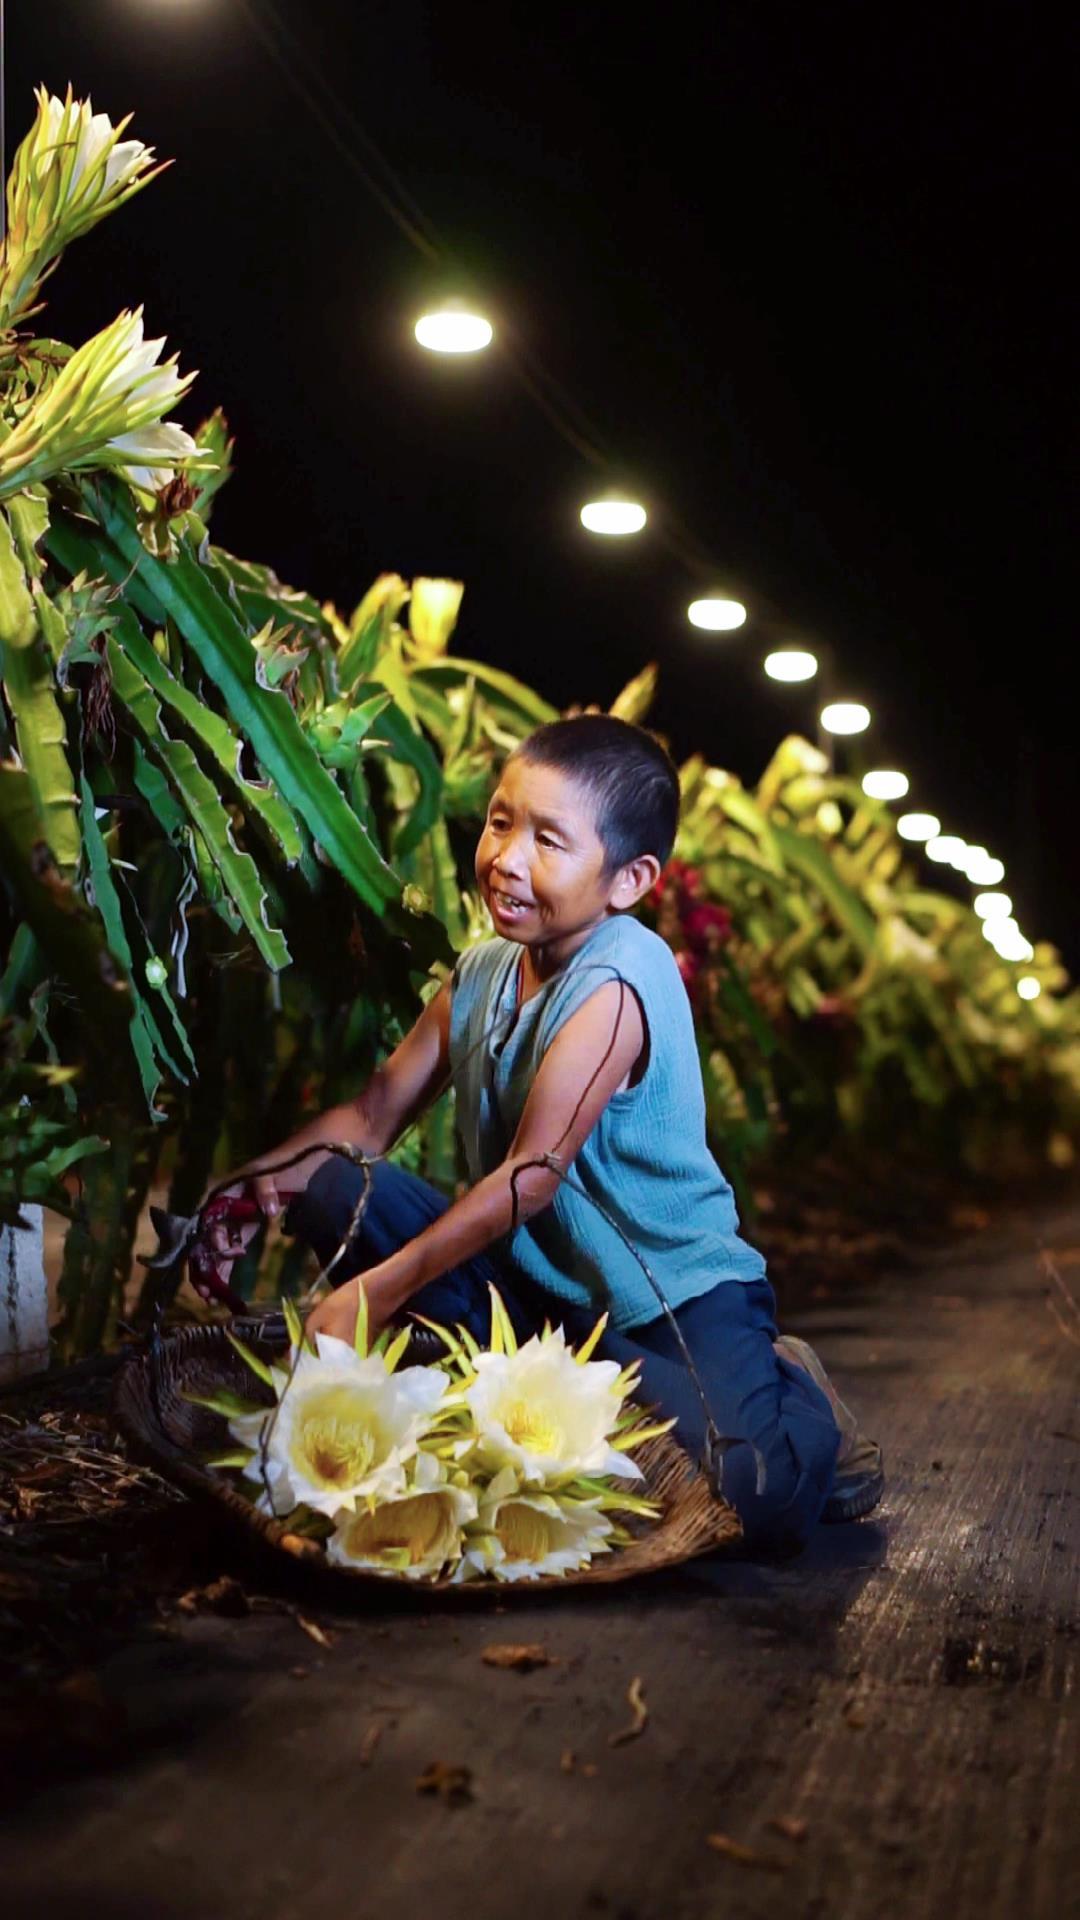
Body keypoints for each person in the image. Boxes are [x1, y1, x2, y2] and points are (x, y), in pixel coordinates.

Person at [213, 715, 883, 1556]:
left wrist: (373, 1293)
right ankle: (534, 1380)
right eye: (501, 821)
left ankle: (791, 1388)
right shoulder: (484, 972)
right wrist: (245, 1189)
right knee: (334, 1182)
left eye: (549, 840)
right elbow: (375, 1112)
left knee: (761, 1500)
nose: (508, 859)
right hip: (534, 1291)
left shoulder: (618, 983)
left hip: (667, 1302)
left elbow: (532, 1175)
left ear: (629, 879)